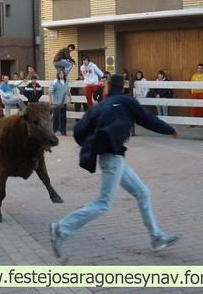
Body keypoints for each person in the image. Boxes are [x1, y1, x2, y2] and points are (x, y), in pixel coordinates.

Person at [49, 75, 181, 258]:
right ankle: (61, 229)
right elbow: (147, 119)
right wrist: (169, 129)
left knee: (142, 194)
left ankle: (156, 238)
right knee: (103, 203)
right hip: (113, 159)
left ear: (108, 87)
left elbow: (79, 130)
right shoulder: (126, 101)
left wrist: (88, 143)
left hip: (113, 159)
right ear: (123, 87)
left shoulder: (101, 105)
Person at [49, 70, 71, 136]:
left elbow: (67, 91)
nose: (61, 75)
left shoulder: (66, 81)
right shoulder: (55, 82)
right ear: (58, 75)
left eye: (62, 73)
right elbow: (50, 92)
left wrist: (70, 98)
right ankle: (54, 129)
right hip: (57, 102)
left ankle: (63, 130)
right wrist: (51, 100)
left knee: (63, 116)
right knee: (56, 116)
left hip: (64, 102)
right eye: (60, 73)